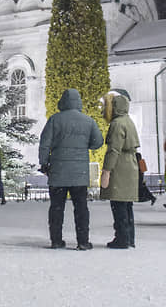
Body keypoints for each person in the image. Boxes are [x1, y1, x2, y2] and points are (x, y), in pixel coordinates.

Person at [38, 88, 104, 250]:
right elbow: (98, 142)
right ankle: (82, 241)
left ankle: (56, 240)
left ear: (63, 102)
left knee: (56, 208)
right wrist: (82, 146)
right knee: (81, 208)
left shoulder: (54, 120)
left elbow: (44, 143)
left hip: (58, 170)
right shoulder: (88, 121)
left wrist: (44, 163)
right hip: (79, 173)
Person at [99, 91, 140, 249]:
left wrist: (106, 171)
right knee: (126, 204)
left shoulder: (117, 124)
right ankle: (129, 237)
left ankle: (121, 238)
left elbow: (113, 150)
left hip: (120, 166)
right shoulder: (128, 121)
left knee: (118, 204)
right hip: (130, 165)